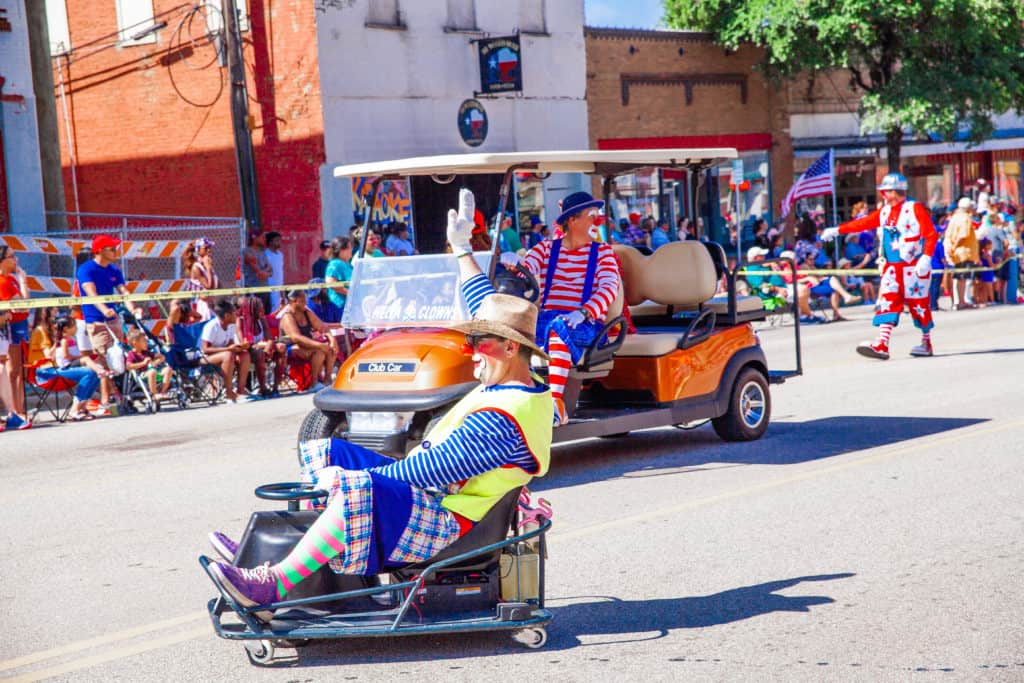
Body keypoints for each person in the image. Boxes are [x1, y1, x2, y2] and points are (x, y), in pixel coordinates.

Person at [207, 260, 552, 621]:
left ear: (510, 349)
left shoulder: (506, 415)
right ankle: (282, 554)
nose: (471, 351)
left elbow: (427, 471)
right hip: (440, 499)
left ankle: (273, 583)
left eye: (479, 343)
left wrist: (351, 481)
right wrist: (463, 251)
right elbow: (489, 305)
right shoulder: (511, 382)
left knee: (359, 487)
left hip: (453, 522)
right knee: (328, 451)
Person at [488, 190, 620, 425]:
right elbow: (526, 268)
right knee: (509, 329)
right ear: (572, 220)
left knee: (561, 325)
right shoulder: (546, 249)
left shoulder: (603, 253)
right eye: (591, 215)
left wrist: (584, 311)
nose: (596, 221)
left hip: (586, 324)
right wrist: (512, 262)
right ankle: (512, 398)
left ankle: (556, 404)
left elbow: (609, 288)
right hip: (550, 319)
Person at [823, 172, 938, 359]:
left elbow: (931, 234)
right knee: (888, 302)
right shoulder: (885, 211)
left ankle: (926, 341)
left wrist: (926, 257)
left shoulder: (914, 208)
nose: (883, 195)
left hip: (913, 267)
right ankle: (882, 343)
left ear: (896, 191)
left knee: (919, 305)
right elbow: (863, 223)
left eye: (886, 191)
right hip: (892, 267)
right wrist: (838, 230)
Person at [29, 312, 99, 421]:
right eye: (53, 314)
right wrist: (57, 343)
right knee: (89, 372)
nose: (55, 320)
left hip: (59, 369)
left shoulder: (68, 337)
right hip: (47, 372)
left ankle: (82, 408)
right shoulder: (42, 332)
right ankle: (74, 410)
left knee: (95, 373)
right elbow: (49, 356)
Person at [278, 289, 334, 392]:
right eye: (303, 300)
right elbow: (296, 337)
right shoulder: (287, 316)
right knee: (319, 352)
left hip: (307, 345)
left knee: (331, 349)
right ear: (294, 301)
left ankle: (327, 380)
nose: (306, 303)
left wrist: (332, 339)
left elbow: (323, 327)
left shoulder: (307, 313)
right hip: (290, 348)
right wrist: (319, 345)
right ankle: (314, 383)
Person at [0, 244, 31, 429]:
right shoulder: (4, 282)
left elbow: (23, 305)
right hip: (9, 327)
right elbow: (22, 305)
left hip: (17, 325)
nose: (16, 259)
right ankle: (14, 411)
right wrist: (23, 281)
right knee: (10, 371)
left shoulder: (10, 279)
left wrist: (20, 280)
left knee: (17, 371)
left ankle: (17, 411)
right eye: (12, 256)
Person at [200, 299, 251, 403]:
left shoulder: (231, 326)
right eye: (234, 313)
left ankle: (240, 391)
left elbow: (230, 344)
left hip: (225, 355)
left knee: (244, 355)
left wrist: (240, 347)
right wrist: (228, 349)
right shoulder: (212, 326)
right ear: (227, 316)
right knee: (228, 355)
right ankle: (229, 393)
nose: (236, 315)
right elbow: (205, 349)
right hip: (205, 358)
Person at [235, 294, 285, 399]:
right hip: (246, 351)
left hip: (261, 348)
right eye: (259, 307)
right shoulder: (240, 320)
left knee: (281, 347)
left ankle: (275, 387)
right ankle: (263, 388)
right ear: (252, 309)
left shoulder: (261, 319)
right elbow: (243, 342)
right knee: (259, 353)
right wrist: (262, 347)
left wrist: (269, 346)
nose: (263, 309)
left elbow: (269, 337)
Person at [943, 197, 980, 310]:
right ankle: (961, 301)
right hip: (964, 252)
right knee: (962, 278)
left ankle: (960, 301)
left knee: (959, 277)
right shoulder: (965, 218)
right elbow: (963, 235)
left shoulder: (954, 217)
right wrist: (955, 246)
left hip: (957, 252)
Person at [124, 328, 172, 401]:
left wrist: (156, 362)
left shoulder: (146, 352)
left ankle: (162, 392)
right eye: (144, 341)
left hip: (153, 372)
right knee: (152, 372)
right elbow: (128, 366)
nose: (146, 342)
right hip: (142, 375)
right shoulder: (132, 354)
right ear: (135, 343)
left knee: (168, 369)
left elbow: (161, 357)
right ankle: (154, 394)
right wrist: (143, 363)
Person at [186, 237, 219, 321]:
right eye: (206, 248)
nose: (209, 250)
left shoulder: (208, 265)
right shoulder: (197, 267)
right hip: (201, 306)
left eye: (210, 248)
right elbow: (208, 287)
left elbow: (218, 286)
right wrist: (208, 268)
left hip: (212, 303)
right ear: (198, 250)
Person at [241, 230, 272, 313]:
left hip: (265, 288)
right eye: (262, 237)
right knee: (255, 314)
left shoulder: (262, 252)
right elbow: (257, 270)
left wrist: (265, 273)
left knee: (266, 314)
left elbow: (270, 269)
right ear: (255, 239)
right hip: (253, 289)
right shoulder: (247, 251)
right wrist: (266, 272)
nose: (264, 239)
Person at [324, 236, 354, 314]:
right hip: (339, 306)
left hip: (350, 305)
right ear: (341, 250)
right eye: (349, 248)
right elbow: (330, 282)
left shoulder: (348, 265)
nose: (351, 250)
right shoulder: (335, 264)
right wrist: (349, 293)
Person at [264, 231, 285, 312]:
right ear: (270, 242)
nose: (279, 242)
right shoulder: (265, 254)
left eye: (280, 240)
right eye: (277, 240)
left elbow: (280, 273)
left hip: (280, 289)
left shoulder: (280, 254)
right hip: (270, 289)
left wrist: (282, 291)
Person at [975, 238, 995, 307]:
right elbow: (991, 265)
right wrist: (998, 263)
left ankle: (984, 301)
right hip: (988, 273)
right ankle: (992, 300)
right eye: (990, 244)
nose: (992, 246)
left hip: (983, 273)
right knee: (989, 288)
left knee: (984, 288)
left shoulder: (981, 254)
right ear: (987, 246)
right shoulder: (987, 255)